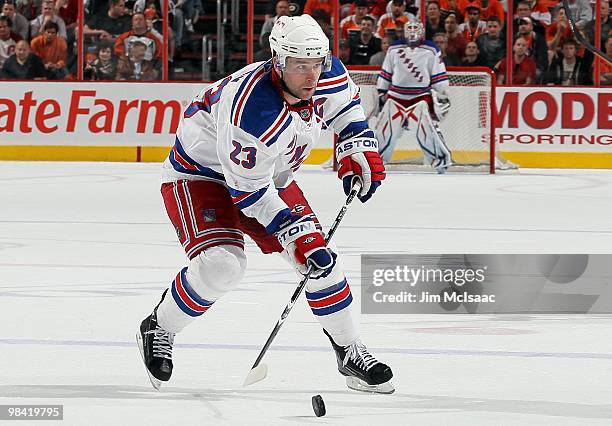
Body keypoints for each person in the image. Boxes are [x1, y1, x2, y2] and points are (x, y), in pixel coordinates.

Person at [136, 14, 394, 395]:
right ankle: (160, 327)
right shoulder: (252, 111)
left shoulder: (325, 71)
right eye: (299, 66)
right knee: (222, 266)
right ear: (278, 60)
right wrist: (297, 233)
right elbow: (249, 192)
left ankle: (348, 349)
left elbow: (346, 109)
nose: (311, 76)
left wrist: (355, 145)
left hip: (266, 176)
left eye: (316, 64)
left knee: (324, 258)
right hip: (201, 177)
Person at [375, 20, 452, 173]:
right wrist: (381, 92)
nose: (412, 31)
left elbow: (438, 76)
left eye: (415, 28)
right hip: (395, 97)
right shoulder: (394, 49)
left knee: (426, 130)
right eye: (409, 28)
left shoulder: (431, 49)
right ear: (403, 31)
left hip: (421, 97)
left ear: (422, 31)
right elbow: (386, 73)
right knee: (384, 130)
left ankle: (441, 161)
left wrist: (443, 94)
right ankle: (376, 161)